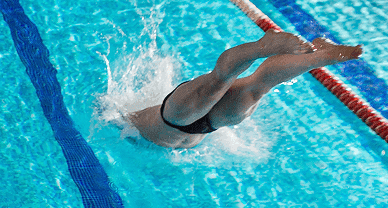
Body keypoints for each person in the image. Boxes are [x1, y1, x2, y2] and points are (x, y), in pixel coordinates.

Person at [130, 30, 363, 149]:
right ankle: (318, 54)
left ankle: (268, 46)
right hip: (194, 122)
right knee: (231, 81)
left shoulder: (124, 127)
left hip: (189, 123)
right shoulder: (127, 122)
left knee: (244, 84)